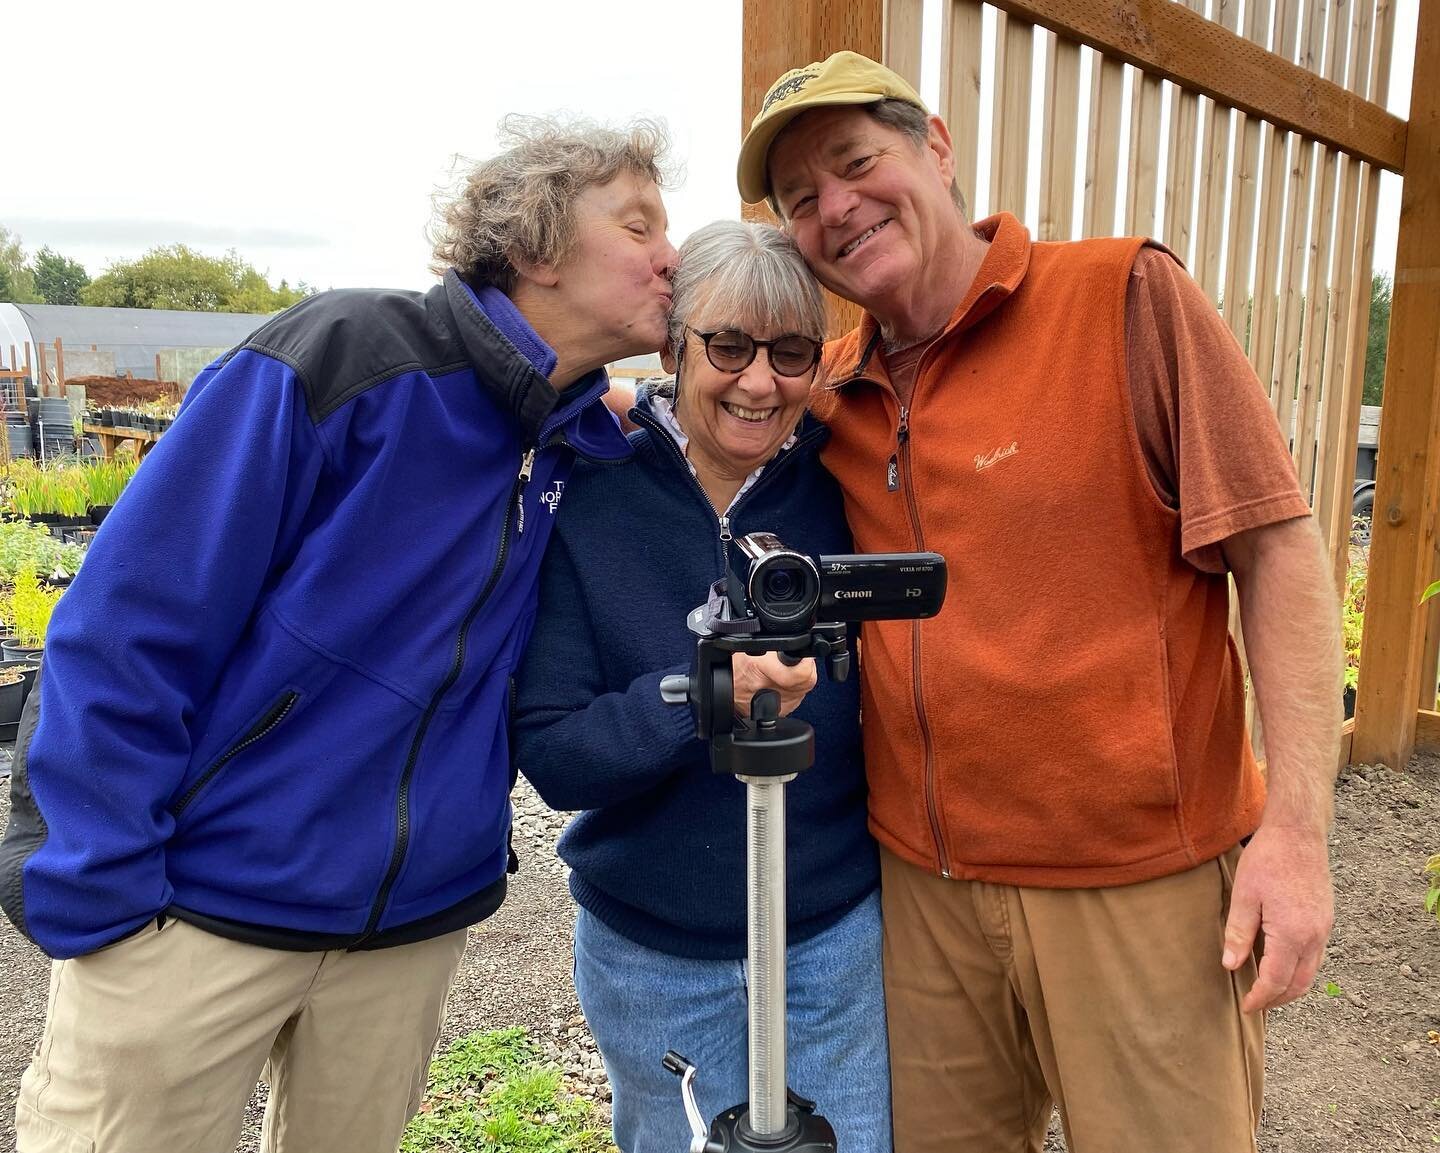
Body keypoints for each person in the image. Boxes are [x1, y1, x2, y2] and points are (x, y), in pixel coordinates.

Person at [0, 115, 678, 1153]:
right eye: (638, 225)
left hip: (404, 937)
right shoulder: (345, 361)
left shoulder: (574, 442)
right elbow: (130, 623)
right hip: (198, 912)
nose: (671, 256)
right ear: (538, 244)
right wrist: (100, 885)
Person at [735, 51, 1342, 1153]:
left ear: (937, 148)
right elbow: (705, 409)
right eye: (800, 201)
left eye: (856, 163)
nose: (836, 208)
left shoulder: (1121, 297)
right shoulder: (832, 388)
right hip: (923, 893)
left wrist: (1297, 836)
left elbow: (1281, 553)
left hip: (1138, 885)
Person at [512, 219, 891, 1153]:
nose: (759, 382)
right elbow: (557, 751)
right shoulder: (594, 492)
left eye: (791, 352)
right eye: (728, 345)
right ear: (675, 348)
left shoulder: (843, 486)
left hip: (829, 940)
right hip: (653, 951)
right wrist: (701, 691)